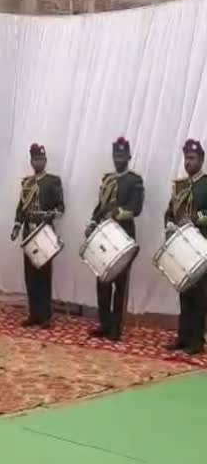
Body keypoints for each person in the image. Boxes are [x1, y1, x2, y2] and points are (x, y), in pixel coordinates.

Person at [85, 137, 144, 341]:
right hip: (104, 235)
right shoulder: (107, 179)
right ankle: (104, 323)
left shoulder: (135, 180)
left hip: (123, 237)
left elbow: (136, 209)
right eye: (115, 155)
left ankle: (116, 328)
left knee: (120, 284)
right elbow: (100, 206)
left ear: (128, 156)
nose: (118, 158)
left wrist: (117, 213)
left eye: (122, 155)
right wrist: (93, 222)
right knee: (102, 282)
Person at [10, 144, 65, 328]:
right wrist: (17, 225)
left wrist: (51, 214)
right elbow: (21, 207)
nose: (38, 162)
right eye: (35, 159)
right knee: (30, 275)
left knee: (44, 275)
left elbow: (60, 207)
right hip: (28, 230)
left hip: (44, 231)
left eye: (41, 159)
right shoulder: (26, 183)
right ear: (31, 161)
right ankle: (33, 313)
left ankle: (45, 316)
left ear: (45, 160)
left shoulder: (53, 181)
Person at [163, 139, 207, 355]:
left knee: (199, 295)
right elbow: (170, 212)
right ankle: (183, 336)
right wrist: (169, 225)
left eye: (192, 158)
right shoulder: (179, 185)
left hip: (201, 245)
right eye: (186, 159)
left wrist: (197, 219)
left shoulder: (206, 184)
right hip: (182, 246)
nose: (188, 163)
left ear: (201, 159)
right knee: (184, 292)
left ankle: (196, 341)